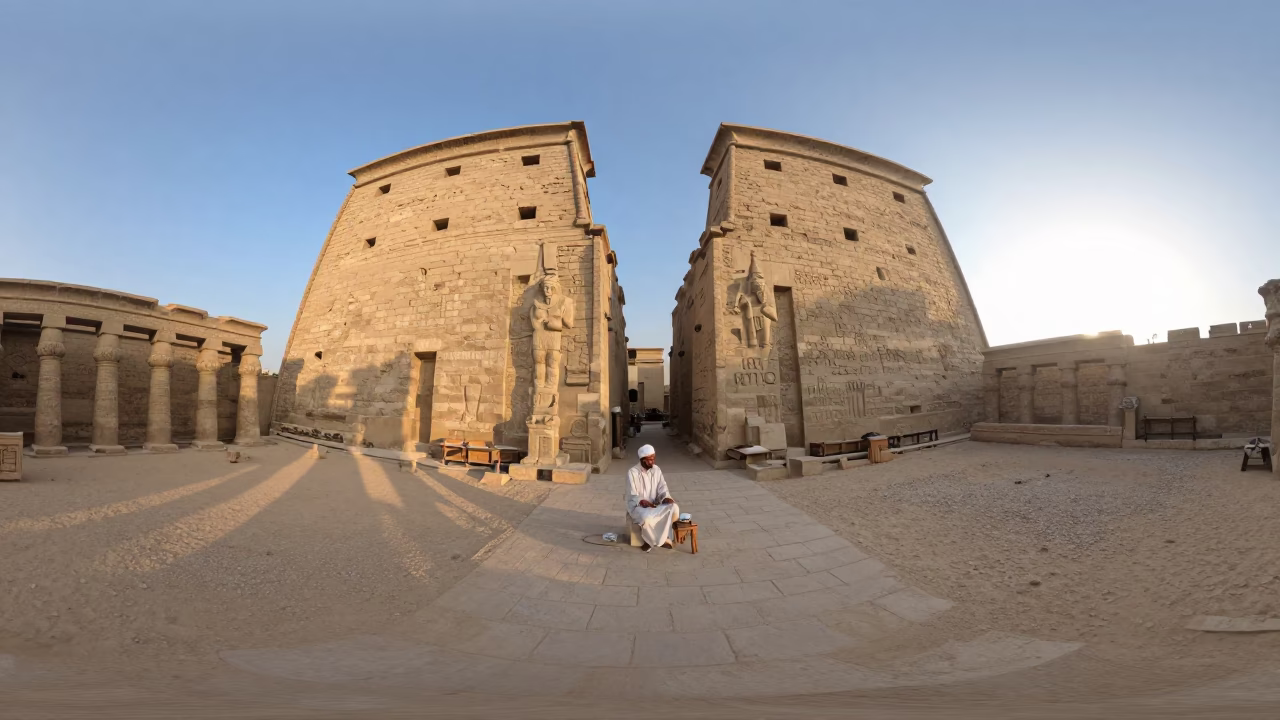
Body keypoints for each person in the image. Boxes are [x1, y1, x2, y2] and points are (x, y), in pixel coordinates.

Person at [626, 444, 679, 552]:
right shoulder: (632, 472)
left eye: (653, 459)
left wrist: (666, 497)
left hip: (655, 505)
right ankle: (651, 541)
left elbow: (662, 488)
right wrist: (642, 501)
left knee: (674, 508)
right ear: (642, 460)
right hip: (638, 507)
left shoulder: (657, 470)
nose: (653, 462)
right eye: (650, 460)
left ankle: (661, 538)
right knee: (647, 518)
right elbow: (632, 494)